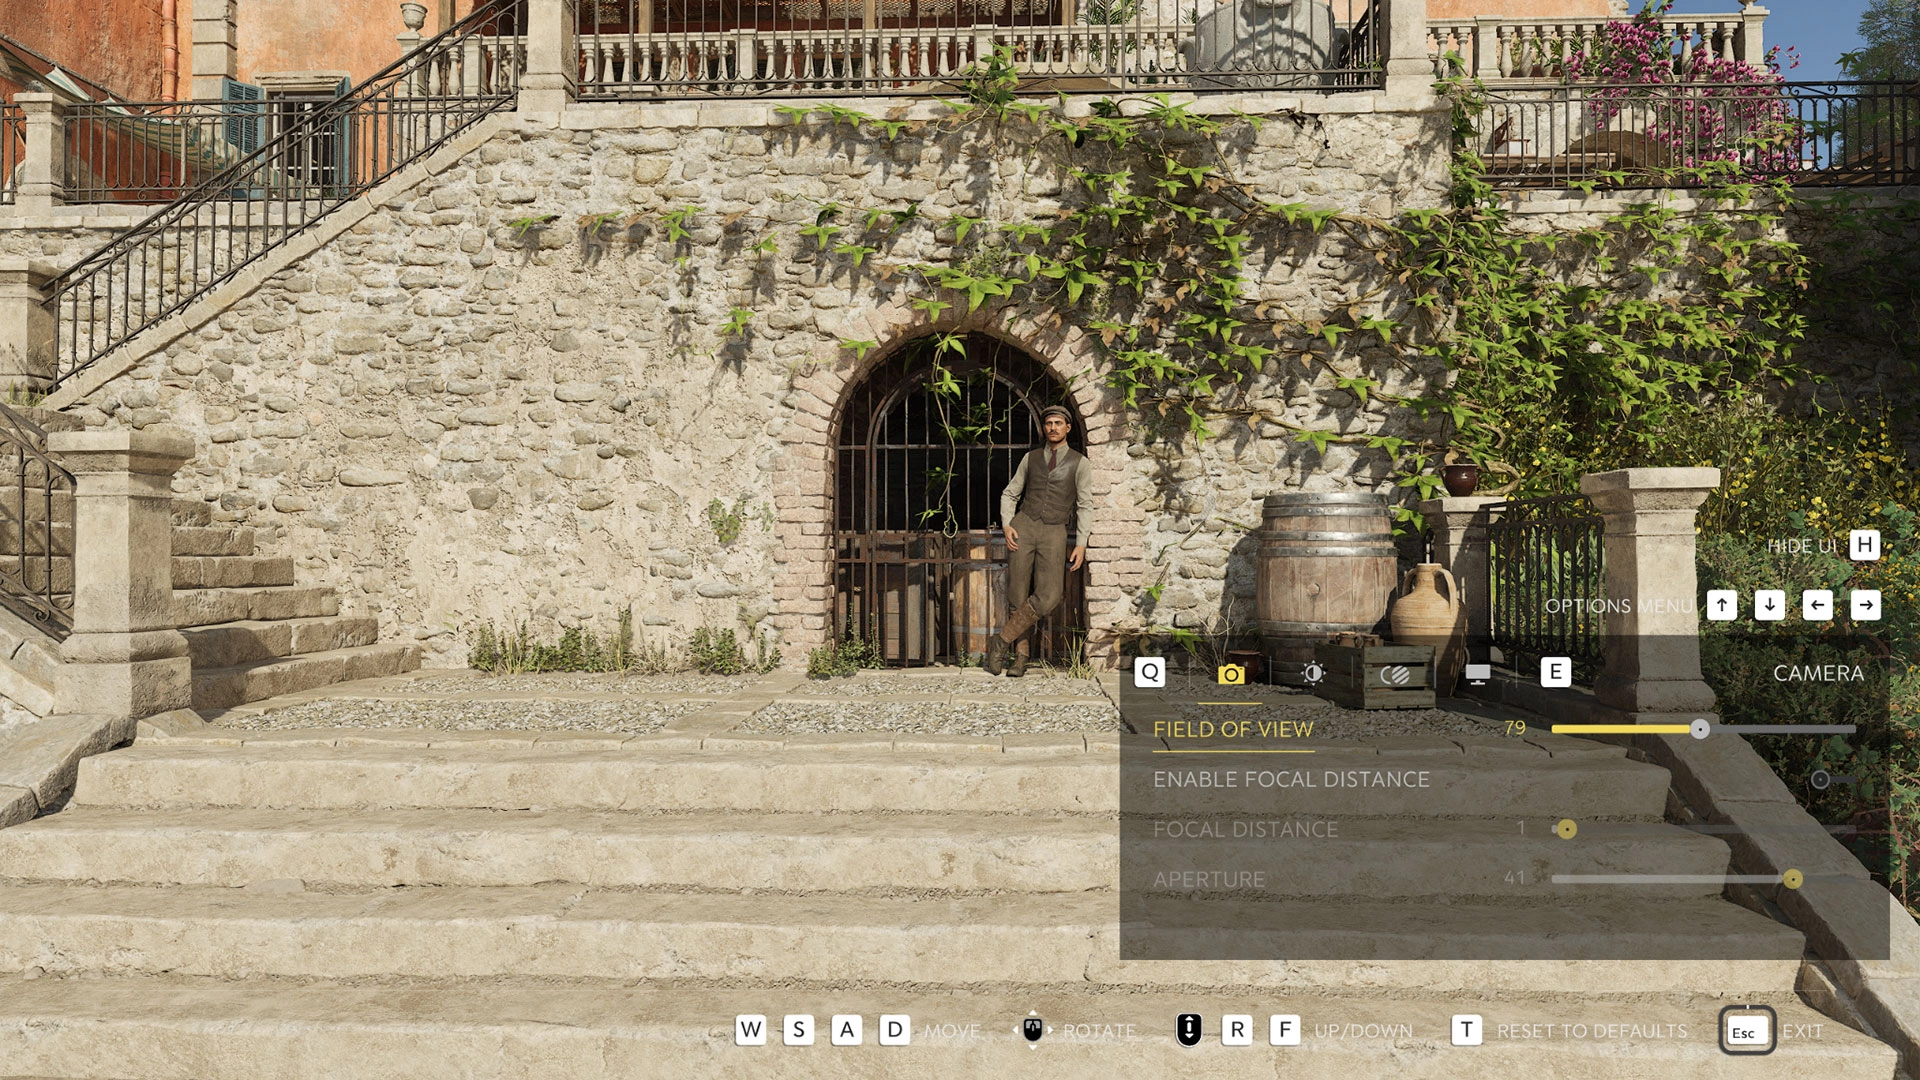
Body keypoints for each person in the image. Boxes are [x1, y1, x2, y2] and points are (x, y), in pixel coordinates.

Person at [985, 404, 1092, 677]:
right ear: (1043, 428)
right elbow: (1010, 493)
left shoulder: (1080, 463)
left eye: (1058, 423)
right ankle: (1020, 659)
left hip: (1055, 530)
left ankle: (1000, 641)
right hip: (1024, 526)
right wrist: (1008, 524)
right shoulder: (1030, 459)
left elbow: (1085, 505)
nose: (1053, 428)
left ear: (1068, 427)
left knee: (1050, 595)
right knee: (1017, 595)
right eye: (1048, 424)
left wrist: (1081, 543)